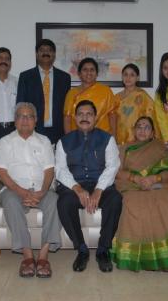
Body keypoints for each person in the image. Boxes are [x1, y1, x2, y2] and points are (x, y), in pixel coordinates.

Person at [0, 102, 61, 278]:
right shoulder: (5, 142)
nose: (25, 120)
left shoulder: (44, 141)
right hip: (13, 189)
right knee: (11, 201)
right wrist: (21, 192)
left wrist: (43, 191)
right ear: (15, 120)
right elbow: (1, 173)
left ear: (35, 120)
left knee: (55, 201)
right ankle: (28, 256)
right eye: (21, 116)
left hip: (40, 190)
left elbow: (49, 171)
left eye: (29, 116)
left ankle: (44, 256)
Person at [110, 116, 168, 272]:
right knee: (134, 205)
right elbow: (116, 172)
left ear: (153, 132)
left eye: (146, 127)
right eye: (139, 126)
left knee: (165, 203)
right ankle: (135, 257)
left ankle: (166, 257)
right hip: (131, 186)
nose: (142, 130)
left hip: (157, 185)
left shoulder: (160, 148)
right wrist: (136, 178)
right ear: (134, 130)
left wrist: (155, 178)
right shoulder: (124, 149)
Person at [55, 100, 122, 273]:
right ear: (75, 118)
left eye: (89, 114)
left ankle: (103, 250)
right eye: (81, 114)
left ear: (96, 117)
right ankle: (82, 249)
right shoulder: (64, 141)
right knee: (64, 203)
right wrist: (77, 188)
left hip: (100, 184)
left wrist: (99, 189)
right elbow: (60, 170)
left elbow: (113, 166)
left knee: (115, 199)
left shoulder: (107, 139)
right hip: (74, 186)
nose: (85, 117)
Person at [16, 39, 71, 144]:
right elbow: (20, 105)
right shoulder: (26, 76)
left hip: (58, 130)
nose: (46, 53)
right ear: (37, 54)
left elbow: (67, 107)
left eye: (49, 50)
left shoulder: (64, 78)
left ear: (54, 55)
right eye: (42, 50)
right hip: (33, 130)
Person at [63, 58, 116, 136]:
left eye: (92, 70)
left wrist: (113, 137)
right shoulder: (72, 93)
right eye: (85, 70)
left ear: (97, 73)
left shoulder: (106, 91)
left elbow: (112, 115)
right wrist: (69, 139)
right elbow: (67, 118)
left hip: (103, 137)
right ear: (79, 73)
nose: (89, 72)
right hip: (78, 138)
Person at [113, 63, 155, 145]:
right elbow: (112, 119)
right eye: (125, 74)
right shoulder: (116, 98)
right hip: (119, 138)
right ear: (122, 77)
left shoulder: (142, 96)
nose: (128, 78)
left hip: (138, 138)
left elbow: (151, 118)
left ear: (137, 78)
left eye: (132, 75)